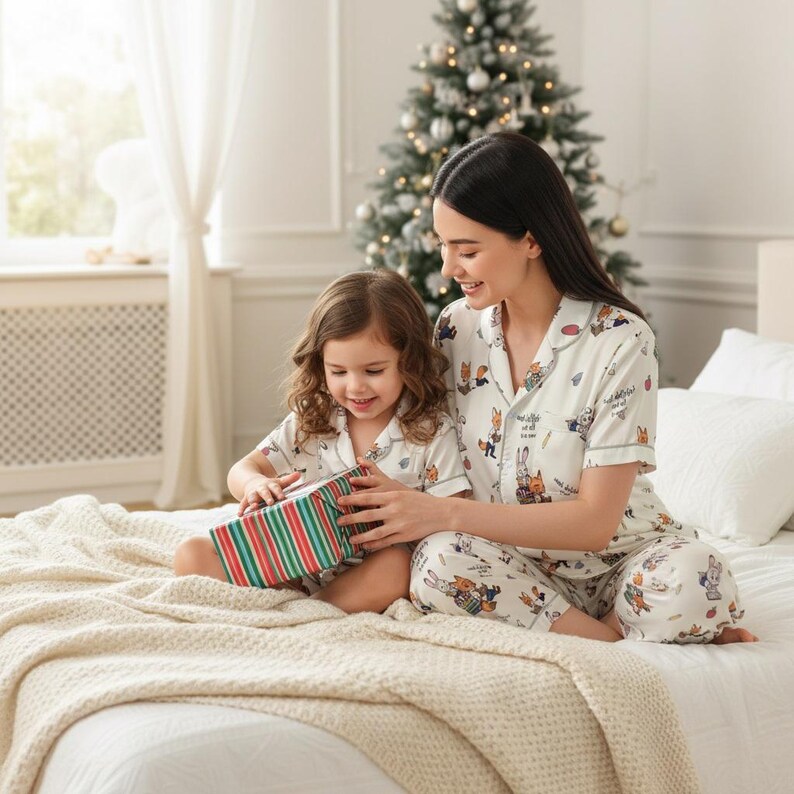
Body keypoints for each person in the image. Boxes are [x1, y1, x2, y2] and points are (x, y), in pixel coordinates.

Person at [337, 132, 757, 644]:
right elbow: (405, 430)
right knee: (438, 564)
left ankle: (596, 629)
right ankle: (611, 640)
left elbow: (594, 524)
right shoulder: (456, 328)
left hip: (621, 562)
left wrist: (441, 512)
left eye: (467, 250)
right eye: (444, 247)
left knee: (695, 580)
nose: (449, 269)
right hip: (505, 563)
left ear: (532, 240)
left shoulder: (621, 341)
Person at [174, 269, 470, 614]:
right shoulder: (315, 418)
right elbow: (243, 468)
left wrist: (401, 502)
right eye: (339, 372)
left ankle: (313, 612)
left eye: (373, 371)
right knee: (191, 554)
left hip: (371, 568)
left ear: (410, 362)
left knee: (395, 568)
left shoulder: (430, 430)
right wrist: (255, 484)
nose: (356, 387)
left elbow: (454, 513)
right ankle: (290, 599)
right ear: (321, 364)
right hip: (295, 557)